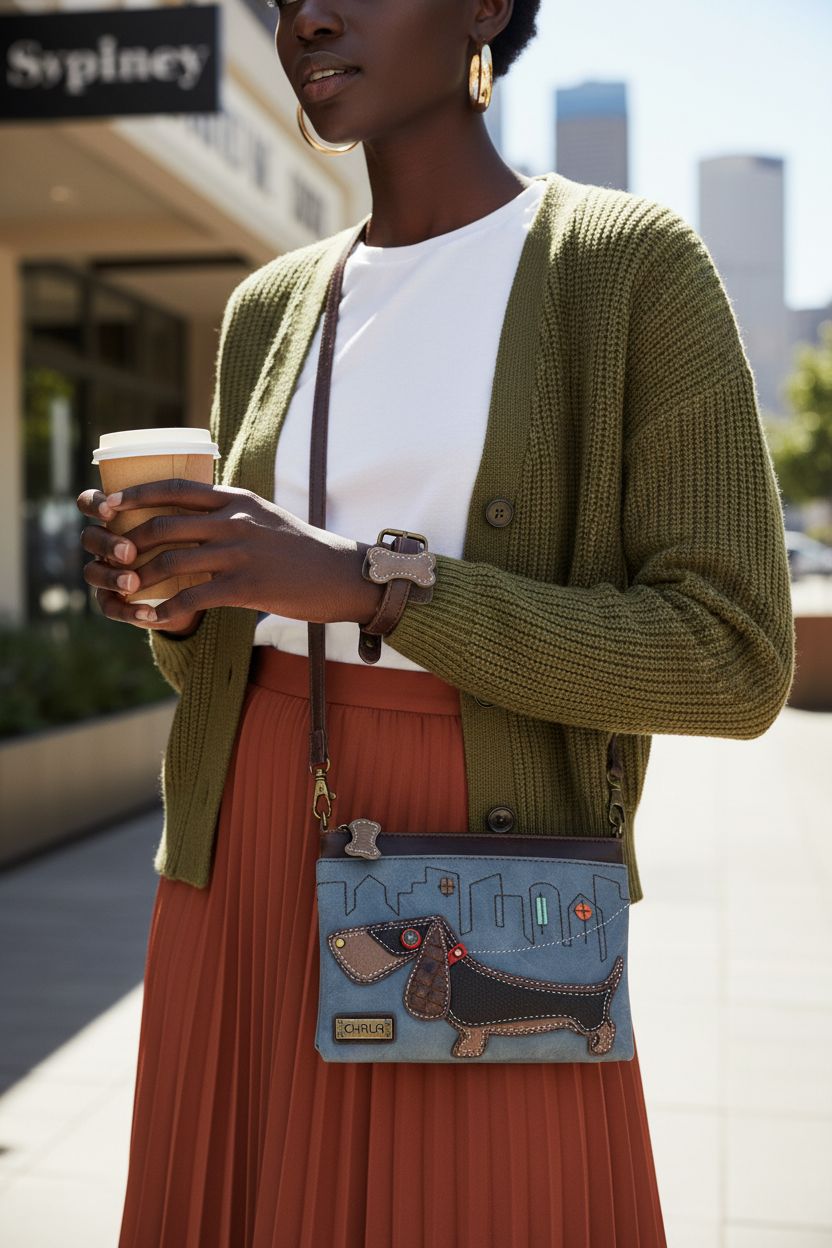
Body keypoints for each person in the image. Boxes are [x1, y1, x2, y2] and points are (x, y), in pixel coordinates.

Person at [76, 0, 795, 1243]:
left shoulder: (624, 266)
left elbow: (731, 657)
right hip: (241, 835)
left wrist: (371, 584)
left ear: (482, 7)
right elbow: (222, 650)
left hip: (473, 864)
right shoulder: (270, 306)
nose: (307, 15)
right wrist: (176, 593)